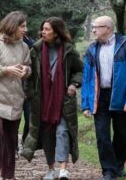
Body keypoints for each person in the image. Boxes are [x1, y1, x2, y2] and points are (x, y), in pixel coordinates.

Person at [81, 16, 126, 180]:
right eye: (93, 27)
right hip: (99, 96)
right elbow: (87, 79)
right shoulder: (91, 49)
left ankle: (118, 165)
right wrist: (86, 104)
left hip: (121, 97)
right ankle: (108, 171)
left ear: (108, 28)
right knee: (102, 136)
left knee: (122, 134)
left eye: (96, 27)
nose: (93, 30)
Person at [21, 17, 83, 180]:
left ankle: (63, 169)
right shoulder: (35, 50)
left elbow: (80, 70)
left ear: (56, 32)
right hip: (42, 100)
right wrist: (29, 93)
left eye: (47, 29)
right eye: (43, 29)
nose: (43, 32)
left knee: (62, 131)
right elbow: (29, 75)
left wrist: (74, 84)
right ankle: (50, 169)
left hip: (63, 99)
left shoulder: (69, 50)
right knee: (47, 134)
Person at [0, 11, 31, 180]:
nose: (25, 29)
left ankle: (9, 174)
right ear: (13, 26)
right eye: (22, 26)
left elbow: (28, 68)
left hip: (15, 97)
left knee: (11, 138)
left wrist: (26, 70)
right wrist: (6, 69)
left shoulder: (24, 47)